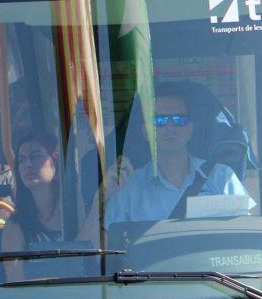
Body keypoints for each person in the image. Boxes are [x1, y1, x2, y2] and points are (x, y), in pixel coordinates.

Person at [104, 84, 253, 226]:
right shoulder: (128, 188)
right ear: (146, 132)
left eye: (178, 120)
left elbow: (247, 233)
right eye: (159, 121)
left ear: (190, 129)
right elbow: (99, 245)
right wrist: (101, 197)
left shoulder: (221, 177)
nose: (170, 128)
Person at [2, 132, 100, 281]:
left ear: (55, 163)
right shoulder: (15, 226)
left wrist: (97, 208)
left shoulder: (82, 213)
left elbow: (89, 259)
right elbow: (16, 282)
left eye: (35, 157)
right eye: (21, 160)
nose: (27, 165)